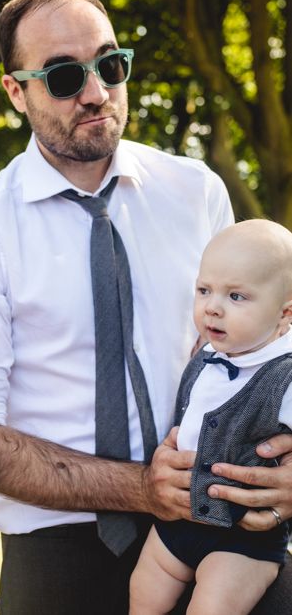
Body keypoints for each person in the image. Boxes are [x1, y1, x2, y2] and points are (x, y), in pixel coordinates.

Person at [0, 0, 292, 614]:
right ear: (16, 91)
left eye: (110, 65)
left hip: (221, 521)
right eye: (65, 76)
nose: (97, 93)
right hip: (56, 543)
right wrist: (140, 489)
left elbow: (268, 344)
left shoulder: (196, 191)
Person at [130, 219, 292, 615]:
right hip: (179, 519)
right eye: (204, 290)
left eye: (237, 296)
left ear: (285, 313)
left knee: (211, 608)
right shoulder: (207, 354)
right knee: (142, 591)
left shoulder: (285, 374)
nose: (212, 306)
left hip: (243, 537)